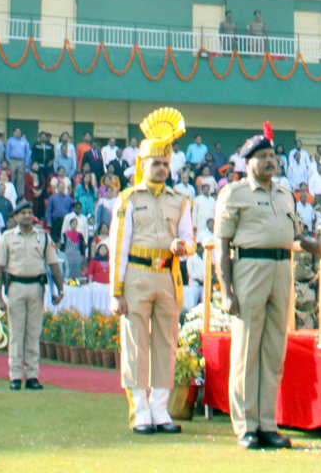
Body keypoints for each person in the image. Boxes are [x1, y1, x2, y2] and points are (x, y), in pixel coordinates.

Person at [215, 130, 321, 450]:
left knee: (274, 350)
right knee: (246, 349)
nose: (270, 162)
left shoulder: (284, 194)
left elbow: (294, 236)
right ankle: (246, 425)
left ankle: (267, 423)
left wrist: (317, 246)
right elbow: (221, 243)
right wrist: (226, 289)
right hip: (249, 267)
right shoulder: (234, 193)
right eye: (262, 157)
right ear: (248, 162)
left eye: (272, 157)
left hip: (282, 269)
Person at [108, 107, 195, 435]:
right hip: (136, 274)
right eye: (155, 163)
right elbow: (119, 244)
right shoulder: (128, 199)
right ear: (141, 165)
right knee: (135, 343)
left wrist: (183, 248)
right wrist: (116, 291)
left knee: (166, 342)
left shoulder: (180, 200)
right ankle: (140, 409)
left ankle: (161, 409)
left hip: (167, 275)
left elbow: (190, 239)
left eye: (165, 164)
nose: (161, 168)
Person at [0, 199, 65, 391]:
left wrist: (60, 288)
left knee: (33, 333)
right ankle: (15, 376)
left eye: (28, 212)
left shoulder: (43, 238)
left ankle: (32, 375)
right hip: (16, 286)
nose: (26, 216)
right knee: (16, 333)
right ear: (15, 217)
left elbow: (53, 264)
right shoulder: (7, 238)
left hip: (36, 287)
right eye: (22, 213)